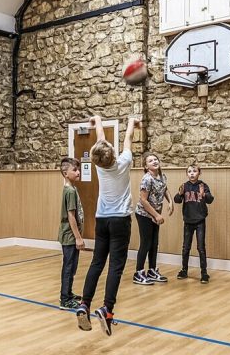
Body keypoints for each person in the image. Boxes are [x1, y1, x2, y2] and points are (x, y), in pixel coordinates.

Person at [76, 115, 141, 336]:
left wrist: (97, 120)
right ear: (112, 154)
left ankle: (84, 303)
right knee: (115, 266)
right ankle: (107, 309)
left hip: (102, 220)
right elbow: (128, 139)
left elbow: (101, 139)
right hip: (120, 221)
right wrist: (132, 121)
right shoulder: (123, 162)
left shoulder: (99, 167)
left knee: (97, 263)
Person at [133, 152, 174, 285]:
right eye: (150, 161)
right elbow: (143, 200)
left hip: (156, 214)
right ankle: (138, 273)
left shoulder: (162, 176)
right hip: (144, 214)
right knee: (146, 243)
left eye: (155, 159)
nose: (154, 162)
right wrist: (155, 215)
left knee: (154, 243)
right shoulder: (147, 179)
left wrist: (171, 202)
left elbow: (165, 188)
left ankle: (151, 270)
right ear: (146, 166)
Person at [174, 164, 214, 283]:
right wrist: (180, 194)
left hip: (200, 221)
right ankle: (184, 270)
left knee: (201, 247)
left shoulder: (203, 185)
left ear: (199, 173)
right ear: (187, 174)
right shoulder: (184, 186)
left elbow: (210, 200)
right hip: (188, 221)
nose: (192, 173)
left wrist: (204, 194)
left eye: (194, 171)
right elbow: (177, 200)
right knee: (186, 247)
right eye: (189, 171)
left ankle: (204, 273)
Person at [58, 157, 85, 310]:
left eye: (78, 169)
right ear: (65, 173)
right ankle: (64, 299)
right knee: (68, 267)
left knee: (72, 266)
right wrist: (78, 238)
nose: (78, 172)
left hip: (71, 235)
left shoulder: (71, 187)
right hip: (69, 236)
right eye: (74, 170)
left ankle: (68, 293)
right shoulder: (69, 191)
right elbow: (71, 216)